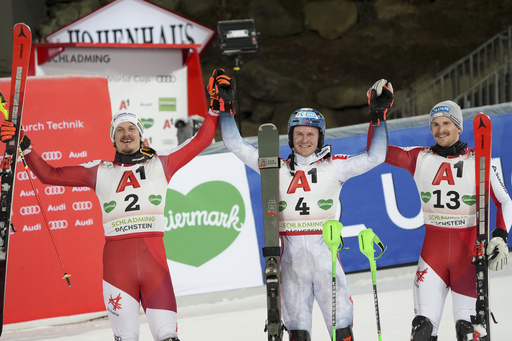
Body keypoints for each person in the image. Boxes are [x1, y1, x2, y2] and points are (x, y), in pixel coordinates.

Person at [0, 71, 224, 340]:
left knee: (168, 337)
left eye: (131, 129)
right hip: (117, 271)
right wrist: (23, 143)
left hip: (156, 269)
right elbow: (50, 175)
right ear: (113, 139)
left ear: (141, 137)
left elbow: (202, 140)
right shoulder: (99, 171)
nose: (126, 134)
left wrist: (214, 107)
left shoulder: (162, 164)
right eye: (119, 130)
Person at [218, 74, 393, 341]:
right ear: (290, 136)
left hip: (326, 259)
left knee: (342, 329)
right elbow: (235, 144)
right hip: (290, 262)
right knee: (298, 333)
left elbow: (376, 156)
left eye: (311, 133)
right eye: (298, 133)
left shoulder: (335, 166)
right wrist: (226, 110)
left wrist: (378, 117)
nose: (304, 139)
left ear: (320, 136)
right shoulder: (273, 166)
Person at [381, 97, 512, 341]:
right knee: (422, 329)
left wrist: (500, 236)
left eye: (446, 123)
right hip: (433, 257)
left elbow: (504, 201)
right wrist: (378, 117)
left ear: (459, 127)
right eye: (435, 125)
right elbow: (377, 151)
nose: (440, 130)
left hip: (469, 257)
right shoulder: (419, 157)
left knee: (469, 332)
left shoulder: (479, 160)